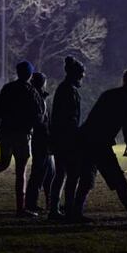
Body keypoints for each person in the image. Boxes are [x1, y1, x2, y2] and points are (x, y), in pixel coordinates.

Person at [71, 70, 127, 228]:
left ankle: (75, 212)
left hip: (87, 139)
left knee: (86, 178)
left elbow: (95, 117)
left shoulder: (110, 94)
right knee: (119, 180)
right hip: (99, 143)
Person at [0, 61, 43, 217]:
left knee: (3, 163)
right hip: (22, 134)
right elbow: (38, 115)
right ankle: (20, 208)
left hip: (6, 132)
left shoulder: (8, 88)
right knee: (21, 171)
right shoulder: (30, 91)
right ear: (30, 74)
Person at [48, 56, 85, 220]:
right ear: (75, 74)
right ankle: (68, 209)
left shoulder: (64, 89)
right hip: (67, 139)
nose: (83, 78)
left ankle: (55, 210)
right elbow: (68, 118)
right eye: (82, 75)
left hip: (60, 138)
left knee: (61, 174)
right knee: (71, 174)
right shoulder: (68, 91)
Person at [24, 72, 55, 213]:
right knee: (39, 172)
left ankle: (50, 203)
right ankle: (31, 203)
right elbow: (40, 119)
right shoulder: (36, 97)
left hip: (44, 138)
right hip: (41, 139)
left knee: (48, 172)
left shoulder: (40, 96)